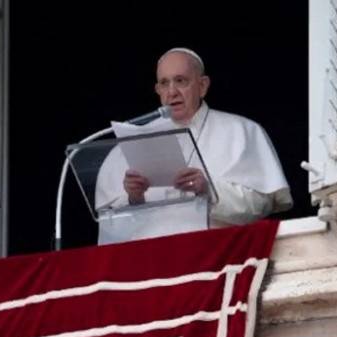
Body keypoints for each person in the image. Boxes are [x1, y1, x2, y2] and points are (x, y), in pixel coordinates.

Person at [94, 47, 292, 242]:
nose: (172, 92)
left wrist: (208, 190)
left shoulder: (242, 131)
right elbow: (109, 226)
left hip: (218, 256)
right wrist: (134, 199)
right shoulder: (129, 143)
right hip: (148, 264)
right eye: (164, 83)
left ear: (203, 86)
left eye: (180, 81)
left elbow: (262, 203)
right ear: (157, 90)